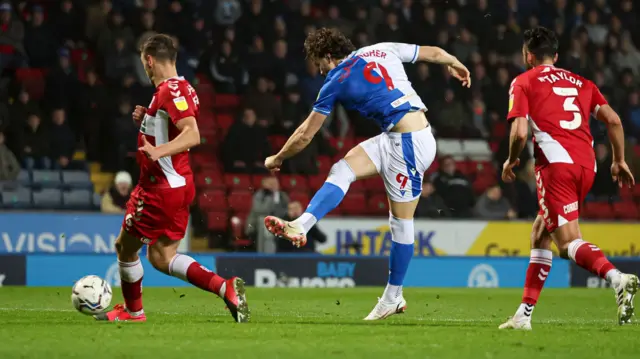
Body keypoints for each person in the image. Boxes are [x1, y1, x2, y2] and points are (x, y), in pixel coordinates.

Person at [262, 28, 471, 320]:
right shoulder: (381, 47)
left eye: (318, 63)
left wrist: (278, 157)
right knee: (342, 169)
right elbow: (433, 52)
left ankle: (393, 296)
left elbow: (305, 133)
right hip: (401, 135)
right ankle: (301, 225)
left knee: (400, 221)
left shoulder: (335, 79)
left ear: (329, 57)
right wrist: (454, 62)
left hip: (408, 144)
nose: (319, 70)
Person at [95, 34, 248, 324]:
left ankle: (133, 313)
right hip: (180, 184)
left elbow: (192, 133)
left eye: (144, 63)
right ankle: (224, 287)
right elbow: (174, 127)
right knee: (162, 256)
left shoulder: (168, 91)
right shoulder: (184, 87)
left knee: (125, 248)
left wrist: (157, 151)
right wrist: (148, 120)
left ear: (149, 60)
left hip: (159, 188)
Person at [499, 27, 637, 330]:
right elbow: (613, 120)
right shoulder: (582, 82)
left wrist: (511, 160)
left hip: (556, 166)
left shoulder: (523, 81)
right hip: (586, 167)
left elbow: (520, 132)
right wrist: (619, 160)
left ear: (528, 55)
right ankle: (524, 315)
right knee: (540, 232)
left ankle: (617, 278)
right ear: (556, 56)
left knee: (567, 244)